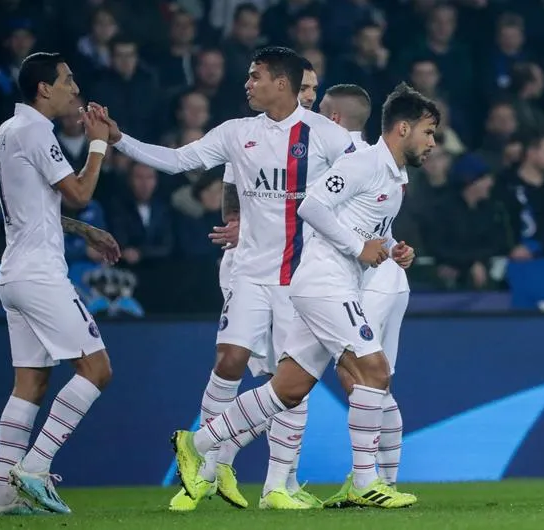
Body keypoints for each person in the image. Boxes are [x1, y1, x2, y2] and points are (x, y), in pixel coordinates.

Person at [95, 46, 355, 509]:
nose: (247, 84)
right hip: (250, 273)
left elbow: (363, 183)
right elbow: (178, 160)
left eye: (256, 76)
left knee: (288, 382)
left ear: (281, 83)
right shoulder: (237, 133)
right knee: (229, 360)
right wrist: (119, 139)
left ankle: (278, 486)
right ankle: (206, 472)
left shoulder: (325, 136)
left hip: (301, 281)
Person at [171, 82, 439, 510]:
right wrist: (359, 247)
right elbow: (311, 206)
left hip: (330, 285)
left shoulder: (395, 175)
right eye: (428, 132)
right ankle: (365, 480)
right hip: (323, 283)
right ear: (403, 128)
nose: (432, 143)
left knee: (288, 389)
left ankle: (197, 443)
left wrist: (393, 248)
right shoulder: (362, 163)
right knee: (374, 371)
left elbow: (372, 228)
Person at [0, 52, 120, 516]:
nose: (74, 89)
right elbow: (79, 194)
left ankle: (1, 495)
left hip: (15, 273)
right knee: (97, 369)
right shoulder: (36, 131)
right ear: (44, 88)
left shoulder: (7, 131)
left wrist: (85, 232)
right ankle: (36, 467)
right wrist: (98, 144)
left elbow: (34, 207)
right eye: (67, 81)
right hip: (41, 274)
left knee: (31, 383)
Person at [320, 83, 410, 487]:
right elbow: (376, 223)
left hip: (372, 281)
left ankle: (369, 480)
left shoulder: (346, 156)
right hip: (387, 278)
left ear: (334, 118)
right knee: (375, 382)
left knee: (361, 377)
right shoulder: (382, 160)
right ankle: (384, 482)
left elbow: (317, 210)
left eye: (319, 110)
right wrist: (395, 246)